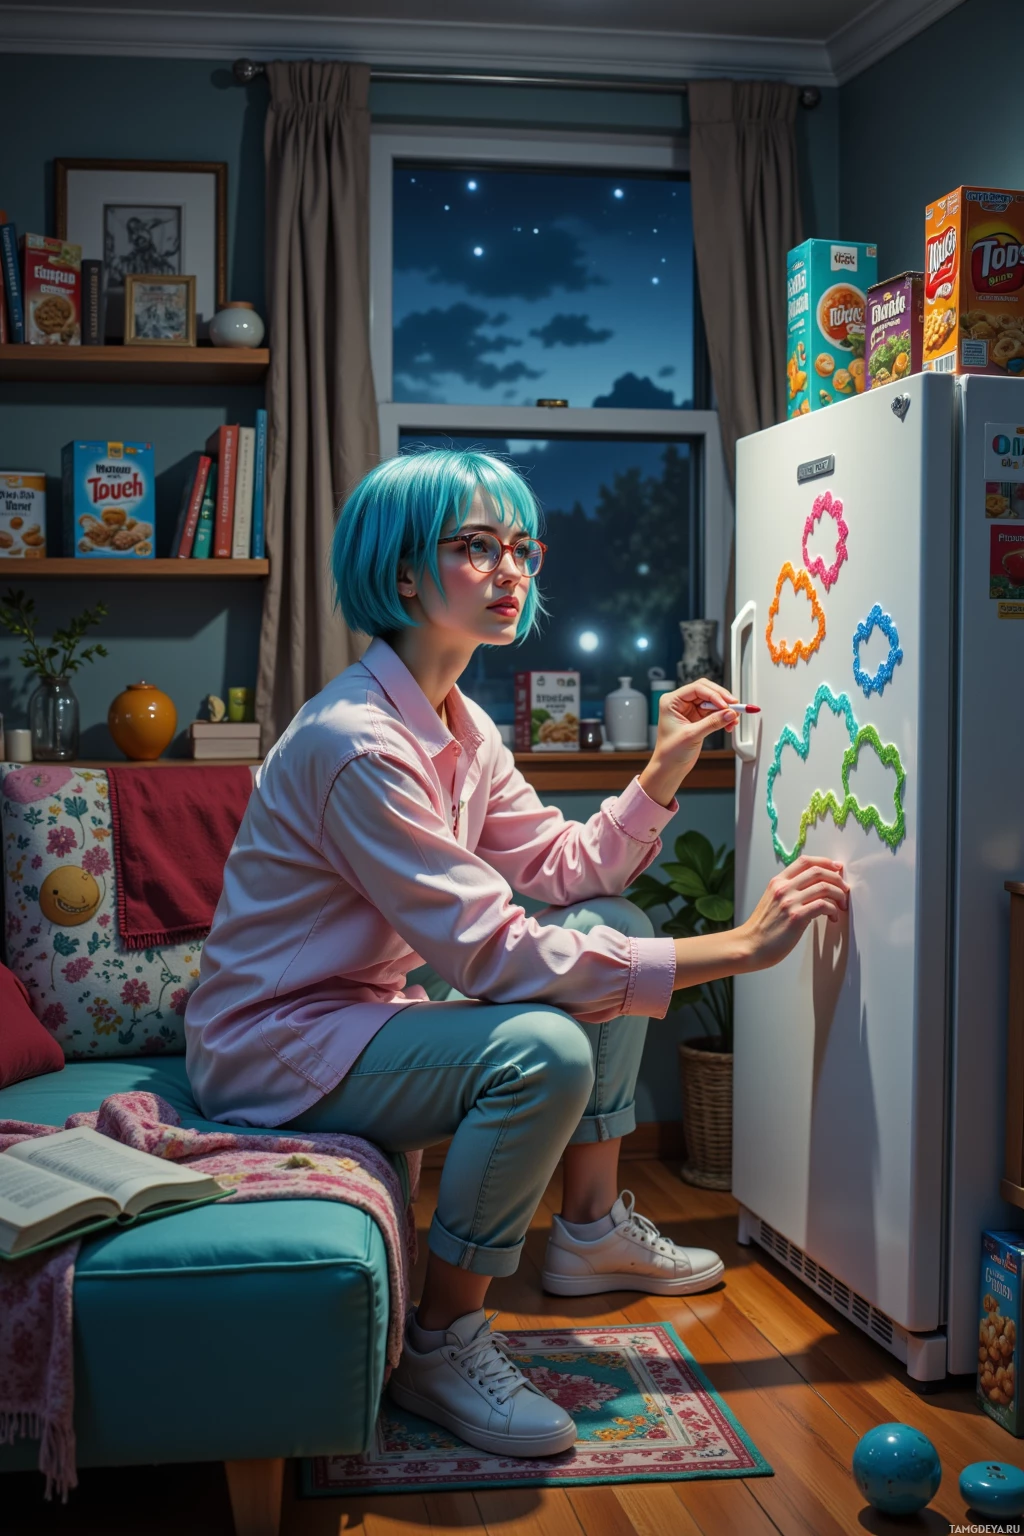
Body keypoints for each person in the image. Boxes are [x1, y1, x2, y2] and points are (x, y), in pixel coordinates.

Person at [184, 449, 848, 1460]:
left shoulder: (460, 722)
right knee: (544, 1048)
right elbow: (494, 952)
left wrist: (663, 768)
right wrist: (742, 947)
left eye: (522, 549)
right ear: (403, 575)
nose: (511, 571)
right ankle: (439, 1341)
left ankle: (586, 1233)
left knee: (608, 930)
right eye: (476, 547)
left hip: (359, 1017)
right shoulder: (359, 744)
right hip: (277, 1046)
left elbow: (567, 868)